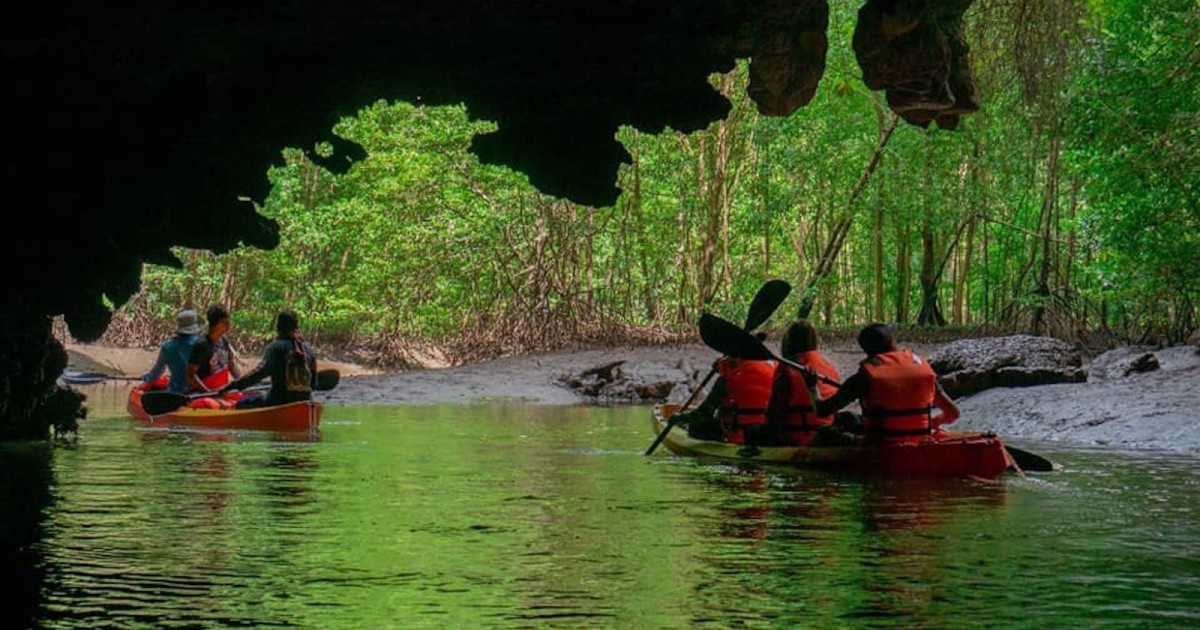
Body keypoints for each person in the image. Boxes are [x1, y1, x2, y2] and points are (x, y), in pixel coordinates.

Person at [803, 323, 959, 444]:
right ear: (892, 343)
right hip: (920, 439)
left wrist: (812, 386)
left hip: (881, 446)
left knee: (824, 431)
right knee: (848, 418)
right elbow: (953, 413)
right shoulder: (922, 369)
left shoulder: (864, 376)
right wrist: (933, 423)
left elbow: (822, 410)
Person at [674, 333, 778, 445]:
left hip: (736, 437)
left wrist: (679, 418)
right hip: (768, 437)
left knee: (697, 427)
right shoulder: (775, 369)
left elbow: (703, 414)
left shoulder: (728, 379)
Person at [220, 310, 317, 408]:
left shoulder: (275, 347)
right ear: (296, 327)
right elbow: (313, 384)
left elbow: (260, 373)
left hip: (277, 401)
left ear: (278, 328)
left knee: (240, 403)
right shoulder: (309, 351)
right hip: (307, 402)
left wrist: (233, 386)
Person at [765, 320, 841, 446]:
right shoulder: (829, 367)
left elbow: (774, 414)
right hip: (827, 437)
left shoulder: (786, 369)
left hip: (797, 439)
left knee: (754, 431)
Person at [141, 309, 203, 393]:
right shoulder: (202, 345)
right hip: (198, 392)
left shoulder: (167, 346)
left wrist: (146, 377)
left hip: (175, 392)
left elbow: (158, 371)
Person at [187, 304, 243, 393]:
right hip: (203, 393)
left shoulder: (224, 341)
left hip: (221, 389)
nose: (230, 323)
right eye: (227, 320)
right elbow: (190, 375)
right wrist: (208, 392)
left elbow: (231, 366)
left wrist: (243, 383)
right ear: (221, 322)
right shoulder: (201, 345)